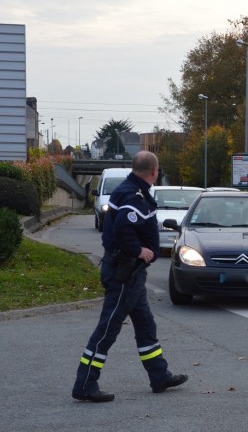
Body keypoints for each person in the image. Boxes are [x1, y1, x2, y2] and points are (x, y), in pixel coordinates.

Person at [72, 151, 187, 402]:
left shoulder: (128, 189)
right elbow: (124, 226)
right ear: (154, 171)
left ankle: (159, 376)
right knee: (107, 330)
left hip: (131, 275)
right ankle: (85, 384)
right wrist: (138, 250)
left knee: (146, 326)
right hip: (125, 272)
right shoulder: (133, 196)